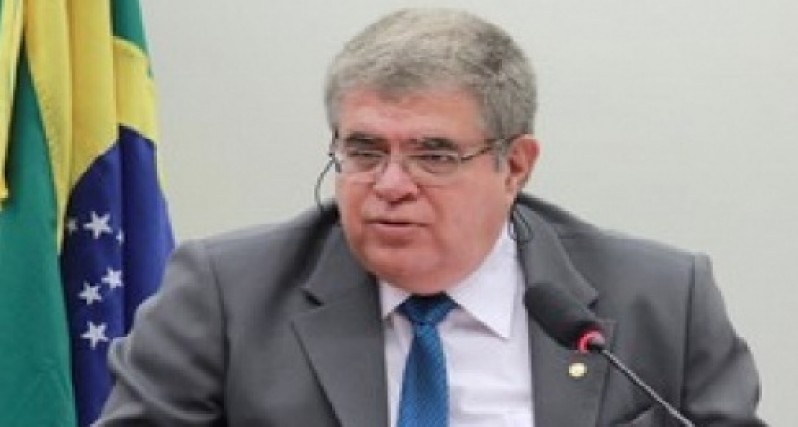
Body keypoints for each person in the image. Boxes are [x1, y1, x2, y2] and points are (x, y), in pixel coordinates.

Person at [97, 8, 764, 426]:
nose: (391, 185)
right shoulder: (225, 295)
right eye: (364, 151)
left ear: (515, 165)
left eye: (434, 155)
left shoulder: (662, 299)